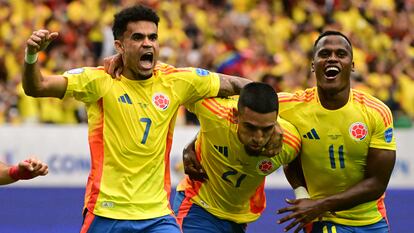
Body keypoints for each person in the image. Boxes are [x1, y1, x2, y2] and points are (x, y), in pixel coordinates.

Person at [22, 4, 254, 233]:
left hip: (157, 216)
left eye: (153, 37)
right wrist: (32, 55)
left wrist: (269, 107)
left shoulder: (176, 81)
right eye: (138, 37)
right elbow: (37, 86)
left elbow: (235, 85)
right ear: (119, 46)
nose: (147, 43)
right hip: (106, 212)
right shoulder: (99, 81)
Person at [277, 31, 396, 233]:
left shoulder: (376, 112)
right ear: (313, 65)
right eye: (324, 54)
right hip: (323, 220)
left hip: (372, 222)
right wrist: (302, 194)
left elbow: (377, 183)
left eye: (341, 54)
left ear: (353, 65)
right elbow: (240, 105)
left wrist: (320, 204)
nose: (332, 58)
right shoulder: (288, 106)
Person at [173, 82, 301, 233]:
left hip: (238, 218)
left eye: (266, 129)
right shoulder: (213, 112)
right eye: (250, 127)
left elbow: (297, 164)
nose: (258, 138)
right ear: (235, 116)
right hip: (197, 206)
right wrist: (191, 145)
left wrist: (302, 195)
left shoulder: (290, 142)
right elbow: (180, 86)